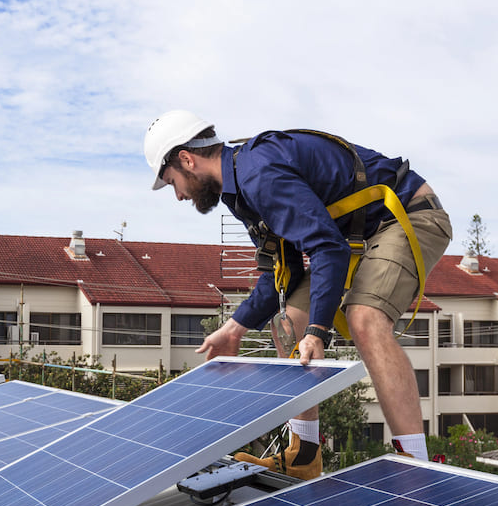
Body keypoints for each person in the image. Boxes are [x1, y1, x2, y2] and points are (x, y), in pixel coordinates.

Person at [144, 110, 452, 478]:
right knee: (289, 322)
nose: (178, 195)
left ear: (186, 159)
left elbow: (327, 249)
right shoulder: (240, 189)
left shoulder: (258, 174)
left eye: (172, 181)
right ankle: (303, 456)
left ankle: (415, 467)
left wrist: (317, 332)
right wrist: (234, 329)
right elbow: (282, 273)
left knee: (364, 319)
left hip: (407, 214)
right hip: (353, 236)